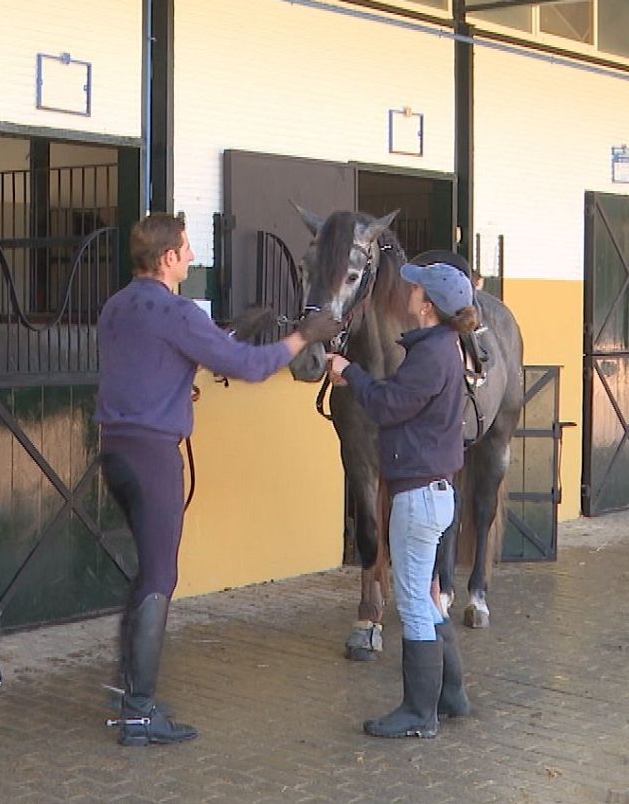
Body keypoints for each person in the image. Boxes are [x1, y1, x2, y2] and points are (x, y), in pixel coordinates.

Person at [95, 213, 343, 746]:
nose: (191, 258)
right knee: (160, 577)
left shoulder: (116, 306)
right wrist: (305, 335)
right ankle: (138, 714)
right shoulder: (176, 310)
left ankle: (131, 691)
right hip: (154, 457)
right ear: (166, 259)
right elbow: (250, 368)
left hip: (115, 451)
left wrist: (227, 334)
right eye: (185, 250)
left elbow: (161, 358)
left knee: (146, 573)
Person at [326, 261, 474, 739]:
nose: (408, 290)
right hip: (432, 493)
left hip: (417, 496)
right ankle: (451, 696)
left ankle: (418, 712)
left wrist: (351, 372)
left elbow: (392, 405)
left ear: (427, 307)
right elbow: (400, 398)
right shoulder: (440, 347)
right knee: (427, 601)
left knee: (412, 602)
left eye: (418, 288)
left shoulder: (431, 355)